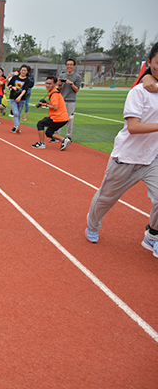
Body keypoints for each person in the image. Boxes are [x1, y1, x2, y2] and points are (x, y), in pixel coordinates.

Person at [85, 43, 158, 250]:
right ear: (150, 62)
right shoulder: (139, 92)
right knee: (106, 198)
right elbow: (133, 127)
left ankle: (152, 236)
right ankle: (93, 223)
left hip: (152, 158)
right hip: (126, 157)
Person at [31, 76, 72, 151]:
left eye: (50, 84)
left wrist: (45, 105)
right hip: (63, 118)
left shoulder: (54, 93)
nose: (47, 85)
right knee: (49, 132)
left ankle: (41, 143)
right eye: (46, 83)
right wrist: (46, 103)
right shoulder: (53, 92)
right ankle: (64, 140)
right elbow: (53, 104)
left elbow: (55, 107)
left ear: (54, 84)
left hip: (58, 117)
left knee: (40, 124)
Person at [55, 58, 81, 141]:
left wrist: (71, 83)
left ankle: (68, 135)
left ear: (74, 66)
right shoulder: (62, 76)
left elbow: (76, 90)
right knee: (59, 117)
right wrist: (59, 84)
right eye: (68, 64)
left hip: (71, 100)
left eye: (71, 64)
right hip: (61, 99)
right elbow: (59, 89)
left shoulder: (77, 76)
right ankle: (57, 135)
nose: (69, 66)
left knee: (70, 118)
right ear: (66, 66)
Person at [6, 64, 32, 134]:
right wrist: (12, 87)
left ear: (27, 72)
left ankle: (15, 126)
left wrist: (20, 97)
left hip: (22, 99)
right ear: (20, 70)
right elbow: (9, 85)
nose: (23, 72)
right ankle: (17, 126)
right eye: (22, 70)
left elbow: (25, 90)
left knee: (18, 114)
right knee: (15, 112)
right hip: (13, 98)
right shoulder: (15, 77)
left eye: (25, 70)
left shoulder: (27, 80)